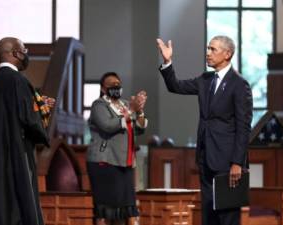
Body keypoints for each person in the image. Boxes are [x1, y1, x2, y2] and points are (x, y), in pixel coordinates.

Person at [157, 35, 253, 225]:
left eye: (213, 49)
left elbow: (243, 127)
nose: (207, 53)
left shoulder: (239, 85)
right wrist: (167, 62)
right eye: (208, 48)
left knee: (227, 217)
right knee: (209, 217)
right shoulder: (205, 79)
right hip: (206, 158)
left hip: (227, 163)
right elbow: (175, 86)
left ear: (227, 54)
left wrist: (237, 163)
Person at [0, 37, 55, 225]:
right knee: (18, 203)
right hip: (16, 152)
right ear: (15, 53)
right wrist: (42, 119)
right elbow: (28, 119)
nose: (26, 54)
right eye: (24, 50)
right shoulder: (19, 81)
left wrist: (38, 106)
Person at [86, 72, 148, 225]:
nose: (116, 87)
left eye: (118, 84)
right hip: (105, 162)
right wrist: (131, 111)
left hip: (125, 163)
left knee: (125, 208)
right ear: (103, 88)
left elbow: (140, 128)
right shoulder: (99, 105)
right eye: (112, 85)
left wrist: (139, 110)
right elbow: (107, 126)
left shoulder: (126, 104)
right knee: (105, 209)